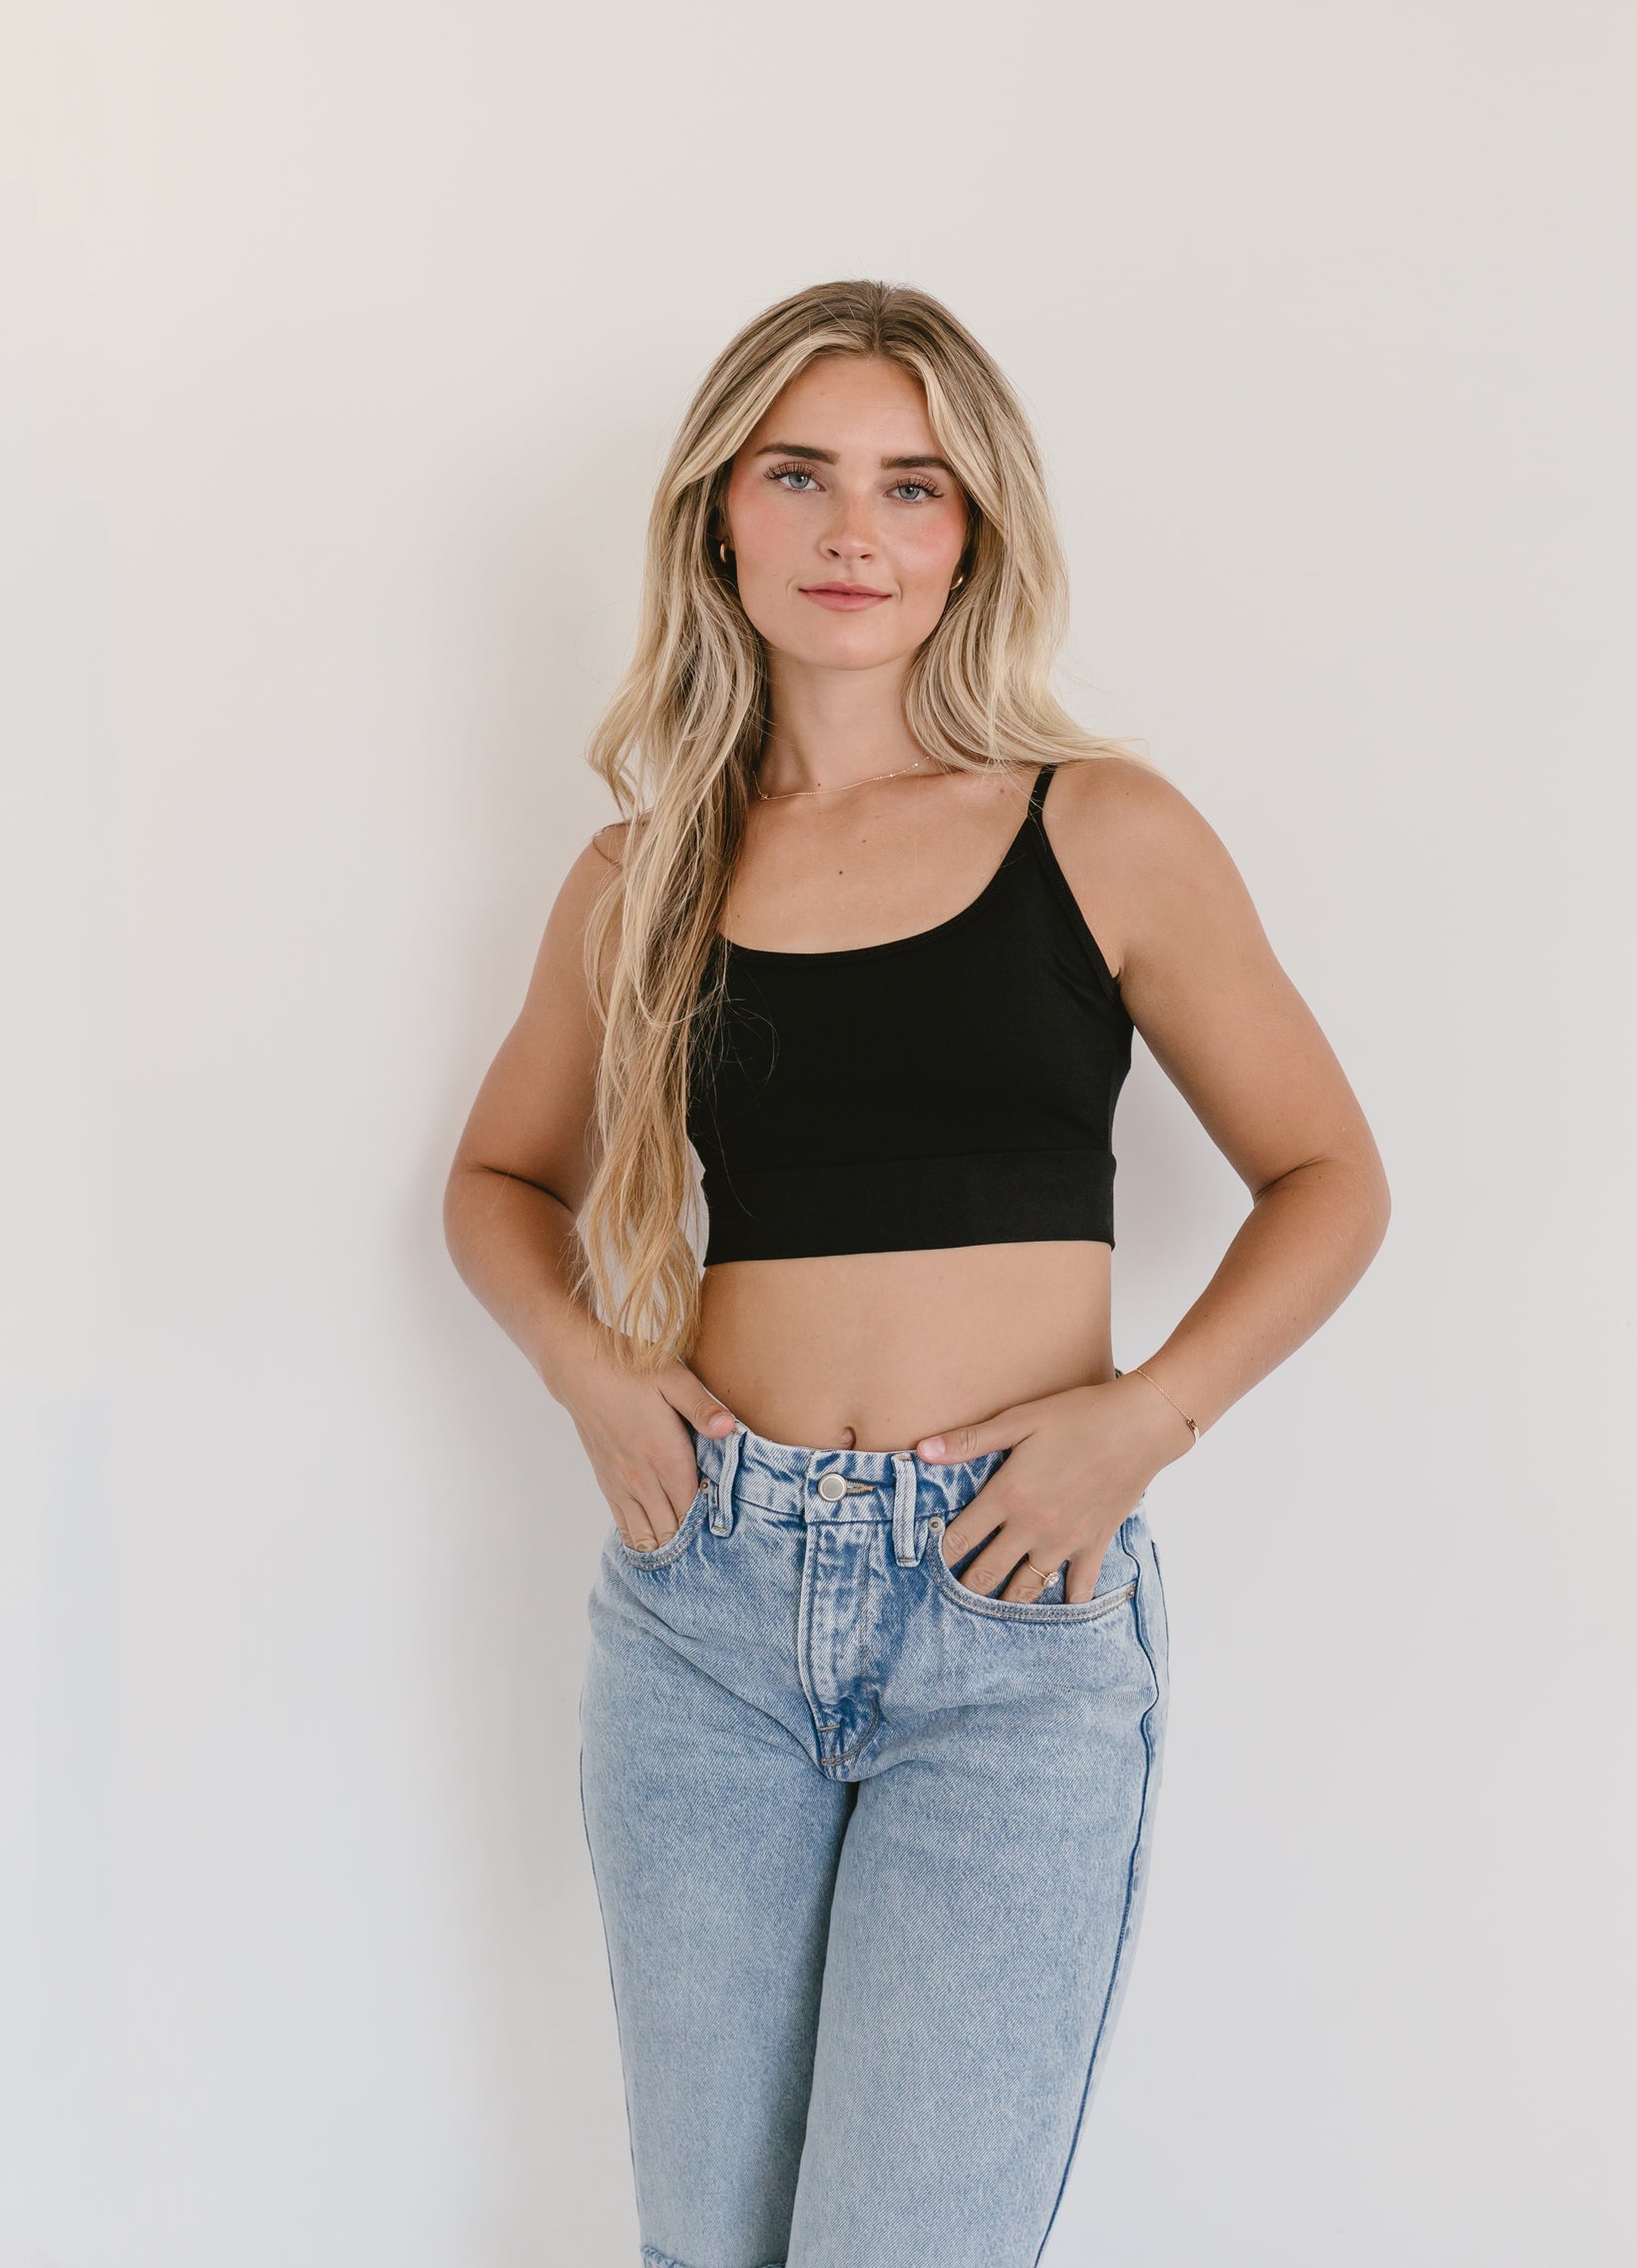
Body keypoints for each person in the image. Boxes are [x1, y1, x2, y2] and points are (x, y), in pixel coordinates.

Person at [443, 278, 1390, 2268]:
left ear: (976, 532)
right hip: (704, 1609)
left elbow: (1327, 1174)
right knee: (707, 2244)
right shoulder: (643, 875)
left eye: (912, 485)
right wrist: (592, 1372)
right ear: (722, 515)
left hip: (1009, 1615)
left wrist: (1143, 1422)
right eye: (801, 476)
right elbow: (497, 1177)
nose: (855, 531)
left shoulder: (1101, 828)